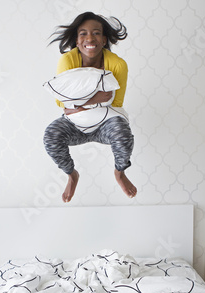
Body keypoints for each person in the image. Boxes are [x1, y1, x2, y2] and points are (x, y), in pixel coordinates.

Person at [44, 12, 137, 203]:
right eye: (83, 34)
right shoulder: (67, 61)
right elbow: (61, 103)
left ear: (104, 39)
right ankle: (71, 175)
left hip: (106, 123)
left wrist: (77, 103)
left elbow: (115, 102)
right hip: (74, 125)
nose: (90, 38)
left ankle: (120, 172)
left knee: (123, 133)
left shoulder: (118, 64)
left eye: (96, 33)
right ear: (77, 41)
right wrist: (94, 99)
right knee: (51, 135)